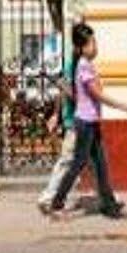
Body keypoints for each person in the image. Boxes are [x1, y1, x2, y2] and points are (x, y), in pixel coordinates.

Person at [47, 22, 127, 219]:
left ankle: (109, 205)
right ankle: (57, 201)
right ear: (81, 47)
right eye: (91, 43)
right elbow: (98, 96)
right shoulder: (84, 68)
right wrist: (124, 106)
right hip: (85, 124)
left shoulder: (86, 65)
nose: (95, 47)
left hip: (90, 122)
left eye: (95, 42)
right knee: (77, 164)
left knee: (101, 164)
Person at [36, 28, 78, 215]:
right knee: (67, 160)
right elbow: (64, 88)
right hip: (75, 120)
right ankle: (47, 197)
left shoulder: (83, 64)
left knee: (96, 161)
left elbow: (63, 86)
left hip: (84, 120)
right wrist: (57, 115)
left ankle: (109, 196)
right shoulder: (73, 64)